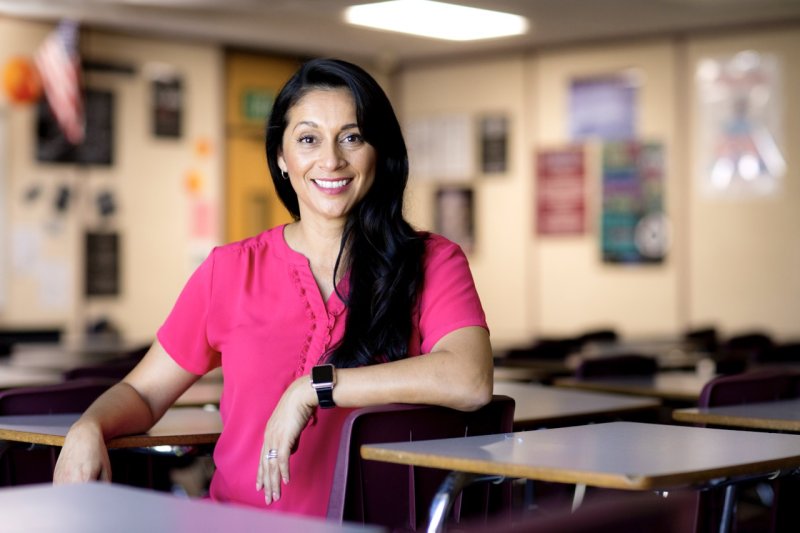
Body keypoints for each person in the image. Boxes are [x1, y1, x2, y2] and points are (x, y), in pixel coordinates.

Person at [53, 58, 493, 517]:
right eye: (308, 139)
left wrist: (315, 389)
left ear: (378, 152)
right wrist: (89, 426)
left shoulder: (432, 261)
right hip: (236, 523)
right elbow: (143, 394)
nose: (331, 160)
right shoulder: (229, 271)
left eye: (352, 137)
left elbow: (471, 379)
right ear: (282, 158)